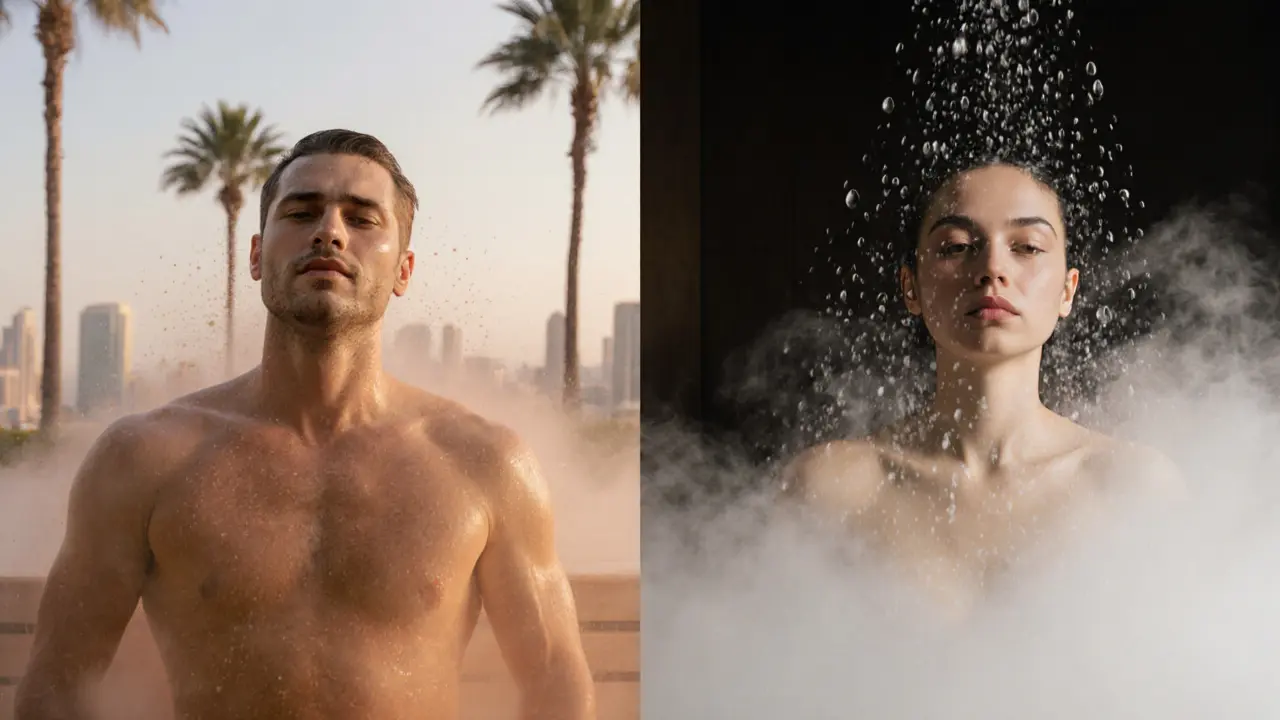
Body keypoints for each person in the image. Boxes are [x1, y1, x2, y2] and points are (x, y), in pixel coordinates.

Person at [15, 129, 596, 719]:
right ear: (255, 254)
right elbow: (58, 683)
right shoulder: (145, 458)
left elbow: (554, 680)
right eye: (301, 211)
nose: (330, 232)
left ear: (404, 269)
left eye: (363, 219)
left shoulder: (485, 463)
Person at [783, 160, 1182, 615]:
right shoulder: (830, 488)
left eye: (1028, 247)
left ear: (1067, 291)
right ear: (910, 286)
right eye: (955, 247)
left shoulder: (1132, 489)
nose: (992, 267)